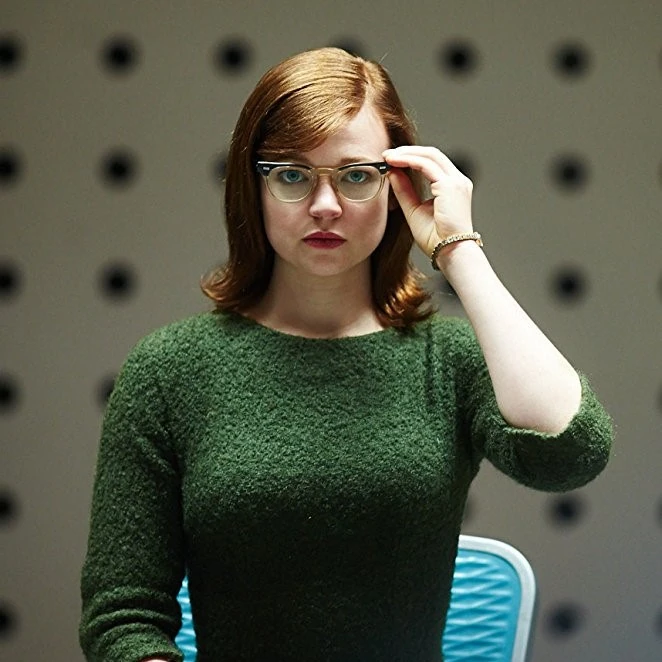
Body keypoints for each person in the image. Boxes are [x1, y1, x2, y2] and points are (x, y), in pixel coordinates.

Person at [79, 47, 613, 662]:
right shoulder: (171, 369)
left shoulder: (448, 360)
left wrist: (458, 249)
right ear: (253, 188)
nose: (326, 205)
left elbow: (570, 453)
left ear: (396, 186)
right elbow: (123, 616)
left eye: (357, 175)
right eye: (292, 175)